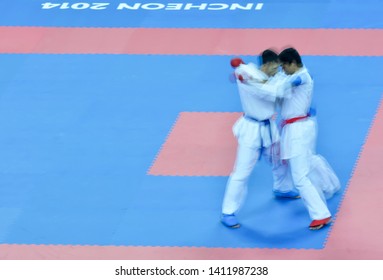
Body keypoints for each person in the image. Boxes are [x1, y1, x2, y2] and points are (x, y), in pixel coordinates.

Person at [221, 50, 299, 229]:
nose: (277, 71)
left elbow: (238, 64)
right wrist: (238, 73)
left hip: (269, 128)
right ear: (266, 65)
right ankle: (228, 211)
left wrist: (237, 70)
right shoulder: (251, 79)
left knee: (280, 161)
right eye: (275, 67)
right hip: (251, 130)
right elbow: (271, 91)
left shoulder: (253, 74)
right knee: (241, 173)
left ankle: (283, 188)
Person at [277, 47, 341, 230]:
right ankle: (331, 184)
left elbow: (285, 86)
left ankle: (321, 215)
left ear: (293, 63)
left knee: (299, 177)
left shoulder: (301, 77)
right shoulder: (294, 75)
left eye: (283, 66)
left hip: (299, 130)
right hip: (299, 126)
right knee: (309, 159)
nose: (282, 70)